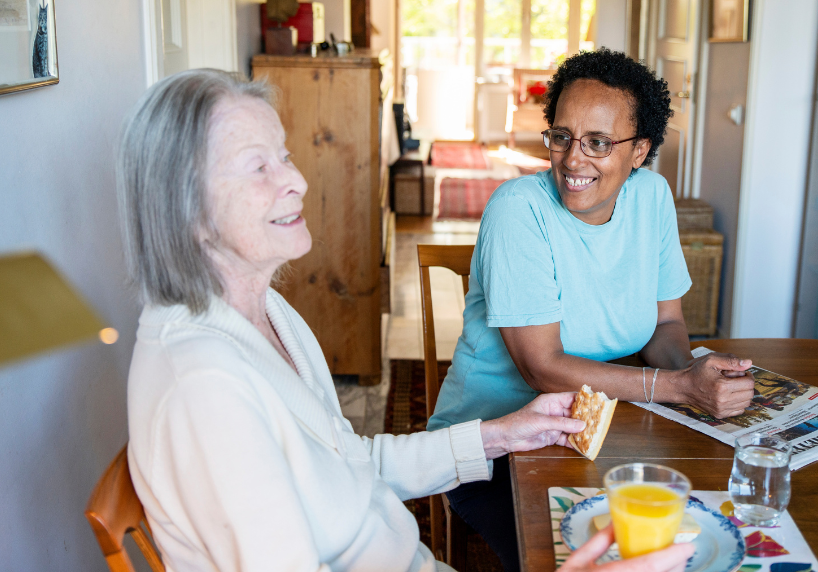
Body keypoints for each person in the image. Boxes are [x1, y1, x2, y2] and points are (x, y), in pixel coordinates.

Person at [117, 69, 694, 572]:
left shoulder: (268, 314)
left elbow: (349, 463)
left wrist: (503, 434)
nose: (295, 180)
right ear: (185, 208)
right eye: (257, 166)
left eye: (286, 155)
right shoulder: (203, 388)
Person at [426, 49, 756, 570]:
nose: (573, 159)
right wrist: (675, 388)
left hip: (606, 430)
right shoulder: (518, 209)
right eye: (562, 136)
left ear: (640, 151)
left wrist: (694, 377)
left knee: (696, 540)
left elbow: (666, 324)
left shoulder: (652, 197)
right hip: (497, 448)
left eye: (598, 142)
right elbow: (542, 367)